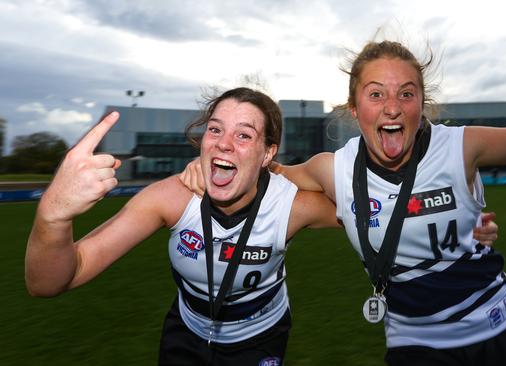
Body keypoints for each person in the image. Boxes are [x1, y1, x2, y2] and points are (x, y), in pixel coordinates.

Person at [181, 5, 506, 365]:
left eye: (407, 94)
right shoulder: (334, 169)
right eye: (375, 94)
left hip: (497, 325)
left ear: (422, 103)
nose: (392, 106)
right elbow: (263, 174)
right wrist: (205, 167)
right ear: (354, 107)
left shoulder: (461, 147)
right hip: (413, 343)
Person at [25, 87, 342, 366]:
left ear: (267, 152)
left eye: (244, 135)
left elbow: (372, 214)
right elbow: (47, 283)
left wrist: (313, 167)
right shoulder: (170, 198)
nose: (224, 144)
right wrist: (53, 216)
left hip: (261, 336)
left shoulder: (289, 206)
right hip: (187, 333)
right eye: (215, 130)